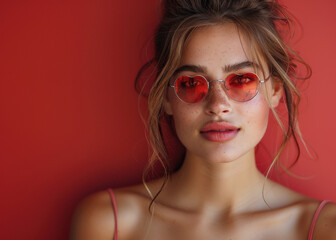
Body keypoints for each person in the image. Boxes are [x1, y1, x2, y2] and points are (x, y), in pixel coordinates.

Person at [70, 0, 336, 239]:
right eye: (190, 83)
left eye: (243, 80)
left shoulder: (324, 228)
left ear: (275, 90)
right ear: (166, 97)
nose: (218, 106)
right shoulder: (109, 222)